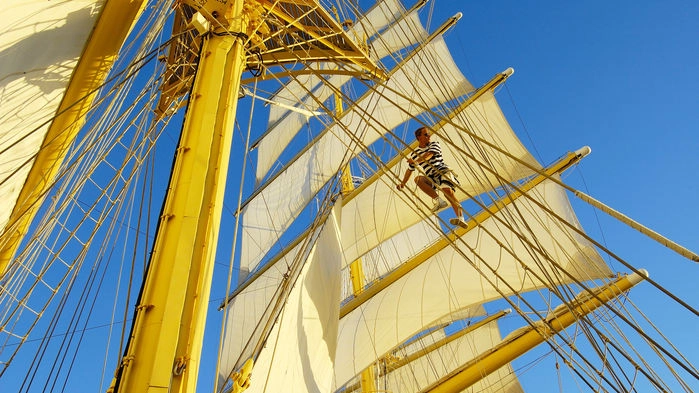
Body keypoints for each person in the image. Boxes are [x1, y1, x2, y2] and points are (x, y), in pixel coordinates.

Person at [397, 126, 467, 228]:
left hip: (442, 171)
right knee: (418, 179)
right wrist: (403, 183)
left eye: (428, 134)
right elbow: (410, 170)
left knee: (448, 192)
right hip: (431, 177)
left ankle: (461, 218)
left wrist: (416, 162)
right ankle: (439, 200)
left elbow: (429, 155)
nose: (429, 136)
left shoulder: (434, 144)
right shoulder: (415, 154)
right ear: (419, 137)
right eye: (425, 134)